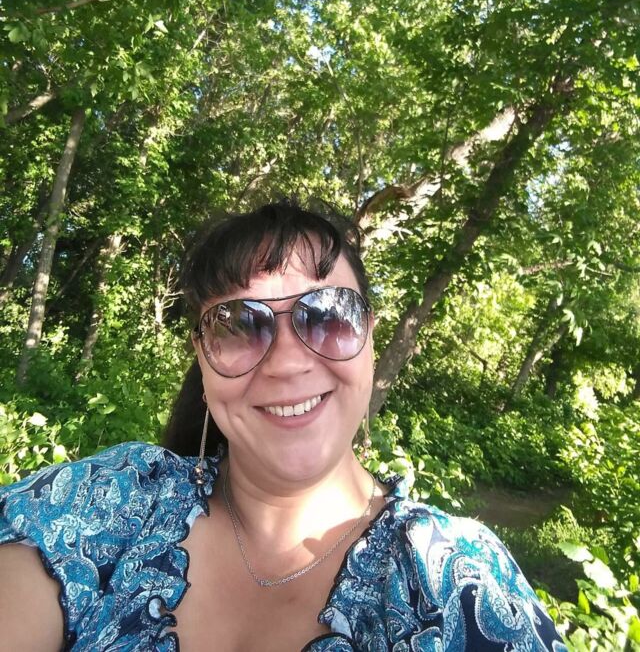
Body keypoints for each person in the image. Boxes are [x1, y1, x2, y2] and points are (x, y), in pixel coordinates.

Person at [0, 199, 567, 651]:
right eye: (239, 324)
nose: (288, 363)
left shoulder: (453, 578)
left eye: (328, 315)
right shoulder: (111, 500)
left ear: (370, 339)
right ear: (202, 360)